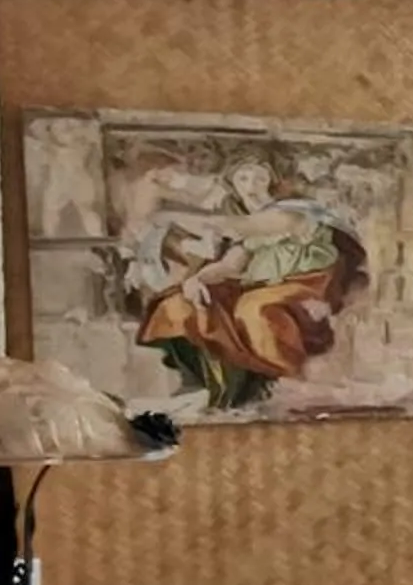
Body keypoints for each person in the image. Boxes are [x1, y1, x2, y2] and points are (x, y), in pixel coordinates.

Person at [131, 155, 367, 412]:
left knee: (254, 307)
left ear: (272, 183)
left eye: (260, 177)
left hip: (306, 289)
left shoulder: (293, 212)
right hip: (261, 289)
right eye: (243, 178)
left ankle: (282, 384)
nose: (252, 185)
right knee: (179, 304)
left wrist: (164, 215)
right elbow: (229, 266)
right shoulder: (250, 231)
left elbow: (238, 226)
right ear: (233, 185)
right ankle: (216, 387)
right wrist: (196, 280)